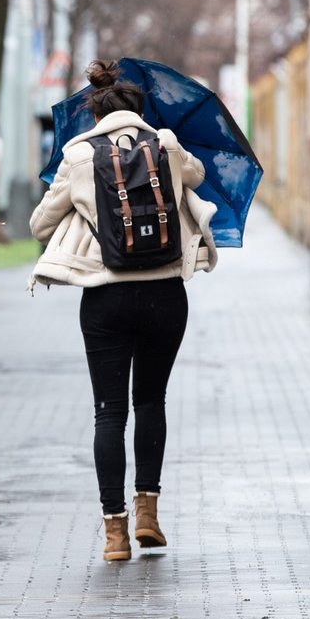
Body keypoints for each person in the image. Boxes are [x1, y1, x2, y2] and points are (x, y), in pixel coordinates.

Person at [29, 59, 218, 562]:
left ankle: (114, 534)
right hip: (164, 296)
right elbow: (198, 176)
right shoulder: (168, 146)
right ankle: (148, 514)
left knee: (108, 413)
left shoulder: (77, 155)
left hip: (106, 297)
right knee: (150, 402)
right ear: (139, 110)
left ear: (95, 113)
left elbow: (38, 225)